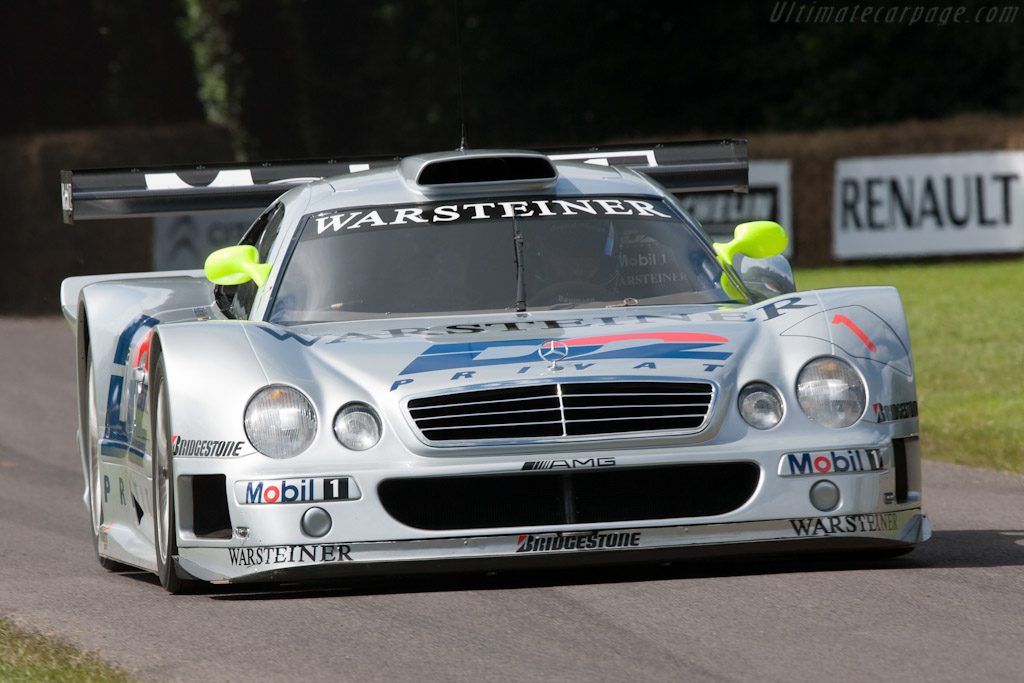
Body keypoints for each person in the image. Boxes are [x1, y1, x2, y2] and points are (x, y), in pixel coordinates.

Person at [527, 221, 620, 305]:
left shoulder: (624, 302)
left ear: (601, 263)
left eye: (588, 263)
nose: (578, 272)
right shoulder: (519, 303)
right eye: (568, 264)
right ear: (549, 260)